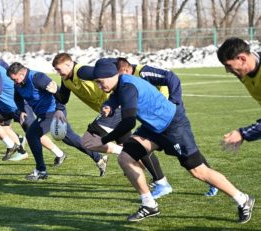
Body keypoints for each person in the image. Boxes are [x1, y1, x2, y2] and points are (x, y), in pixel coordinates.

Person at [90, 58, 254, 223]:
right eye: (96, 82)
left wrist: (106, 139)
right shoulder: (120, 84)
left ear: (112, 75)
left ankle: (242, 198)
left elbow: (128, 123)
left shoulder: (127, 87)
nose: (99, 86)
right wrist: (109, 106)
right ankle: (149, 204)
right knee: (126, 157)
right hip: (152, 128)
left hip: (173, 126)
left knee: (198, 171)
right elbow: (114, 98)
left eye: (100, 81)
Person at [52, 53, 170, 191]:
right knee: (134, 147)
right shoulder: (66, 80)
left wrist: (125, 72)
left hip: (115, 108)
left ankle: (132, 158)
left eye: (59, 69)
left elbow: (107, 72)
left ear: (69, 64)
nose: (57, 72)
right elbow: (63, 98)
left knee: (88, 141)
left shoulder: (82, 71)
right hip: (110, 110)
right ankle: (161, 181)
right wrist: (55, 94)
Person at [115, 57, 218, 197]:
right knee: (135, 146)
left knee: (188, 154)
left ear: (126, 70)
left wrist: (174, 101)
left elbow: (171, 77)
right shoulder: (125, 82)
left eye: (119, 74)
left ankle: (213, 180)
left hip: (168, 117)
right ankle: (160, 183)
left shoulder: (143, 72)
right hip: (153, 120)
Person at [6, 62, 106, 180]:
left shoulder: (38, 78)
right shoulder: (19, 84)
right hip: (44, 114)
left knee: (32, 135)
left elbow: (58, 92)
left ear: (22, 73)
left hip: (54, 112)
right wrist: (22, 110)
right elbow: (17, 97)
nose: (15, 82)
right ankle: (99, 158)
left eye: (15, 79)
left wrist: (60, 109)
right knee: (70, 139)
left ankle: (41, 170)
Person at [217, 37, 261, 151]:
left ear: (242, 59)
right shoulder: (244, 72)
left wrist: (243, 133)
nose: (228, 71)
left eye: (229, 66)